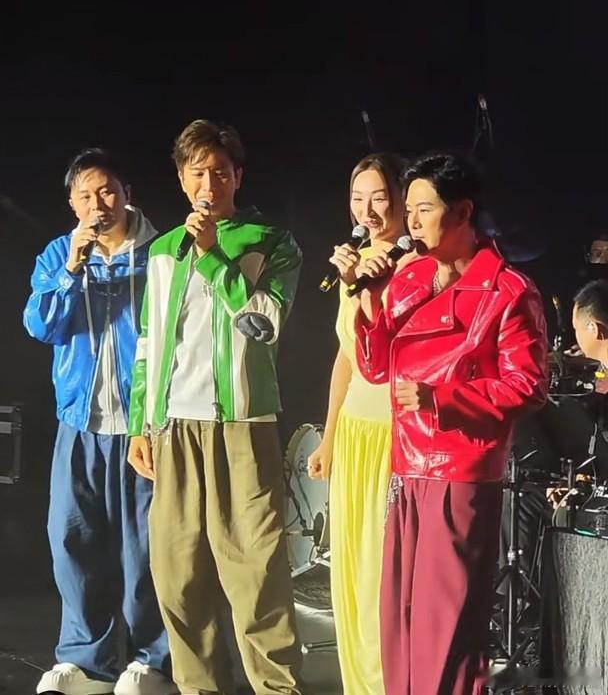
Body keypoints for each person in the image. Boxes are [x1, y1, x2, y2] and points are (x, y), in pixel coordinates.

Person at [353, 151, 548, 695]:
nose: (411, 222)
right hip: (406, 463)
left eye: (424, 209)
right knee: (400, 619)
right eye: (409, 208)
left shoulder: (508, 290)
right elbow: (376, 367)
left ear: (462, 212)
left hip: (458, 468)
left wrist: (442, 398)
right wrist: (370, 298)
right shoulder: (409, 278)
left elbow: (528, 385)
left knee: (446, 625)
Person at [127, 119, 303, 695]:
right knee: (177, 574)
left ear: (238, 177)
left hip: (242, 424)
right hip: (173, 426)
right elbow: (148, 342)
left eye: (220, 172)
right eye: (198, 172)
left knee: (256, 571)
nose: (209, 184)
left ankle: (277, 687)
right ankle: (198, 686)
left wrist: (209, 256)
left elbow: (264, 323)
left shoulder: (271, 241)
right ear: (182, 179)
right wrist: (140, 423)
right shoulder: (161, 251)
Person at [23, 149, 173, 695]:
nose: (97, 204)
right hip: (80, 422)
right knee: (73, 539)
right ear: (71, 203)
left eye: (107, 191)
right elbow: (41, 325)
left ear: (127, 193)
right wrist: (72, 268)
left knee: (145, 547)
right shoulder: (59, 253)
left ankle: (154, 660)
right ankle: (87, 662)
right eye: (85, 195)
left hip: (142, 427)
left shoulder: (162, 253)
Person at [307, 152, 412, 694]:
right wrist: (328, 437)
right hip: (353, 431)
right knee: (348, 569)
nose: (367, 210)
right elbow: (346, 356)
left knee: (382, 571)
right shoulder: (355, 265)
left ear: (402, 198)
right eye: (357, 198)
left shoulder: (415, 263)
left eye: (379, 197)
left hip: (395, 432)